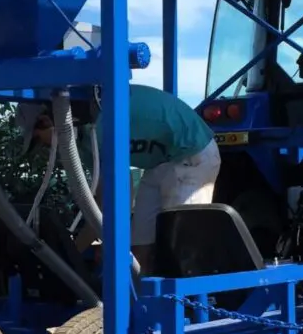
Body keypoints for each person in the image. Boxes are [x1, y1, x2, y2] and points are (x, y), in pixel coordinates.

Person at [19, 83, 220, 275]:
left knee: (178, 248)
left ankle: (185, 307)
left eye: (39, 140)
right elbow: (101, 199)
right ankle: (141, 307)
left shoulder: (99, 125)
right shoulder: (85, 140)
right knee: (139, 247)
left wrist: (75, 253)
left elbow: (120, 195)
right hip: (159, 163)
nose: (44, 150)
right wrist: (76, 251)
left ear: (47, 121)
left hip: (192, 154)